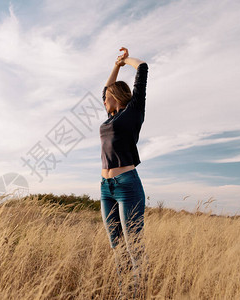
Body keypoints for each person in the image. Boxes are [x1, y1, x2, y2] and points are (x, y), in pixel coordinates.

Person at [99, 47, 148, 298]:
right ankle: (124, 292)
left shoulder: (133, 113)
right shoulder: (109, 120)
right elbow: (104, 90)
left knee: (133, 247)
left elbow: (142, 68)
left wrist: (126, 60)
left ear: (116, 97)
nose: (103, 101)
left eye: (107, 97)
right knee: (116, 246)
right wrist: (116, 65)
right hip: (106, 188)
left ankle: (138, 293)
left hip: (128, 185)